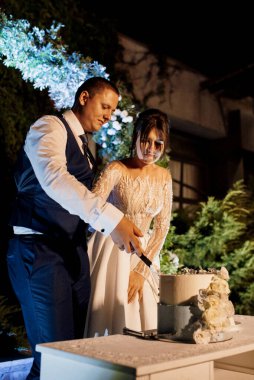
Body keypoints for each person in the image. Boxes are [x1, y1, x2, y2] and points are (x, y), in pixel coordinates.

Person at [6, 77, 144, 380]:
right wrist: (111, 220)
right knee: (53, 360)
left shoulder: (86, 148)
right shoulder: (49, 127)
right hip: (38, 251)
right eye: (105, 106)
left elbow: (83, 202)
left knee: (76, 353)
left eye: (113, 110)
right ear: (84, 97)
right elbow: (54, 178)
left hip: (72, 253)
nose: (108, 115)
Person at [85, 108, 173, 337]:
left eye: (158, 144)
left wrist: (142, 270)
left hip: (145, 255)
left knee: (145, 321)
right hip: (111, 249)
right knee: (110, 317)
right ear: (135, 138)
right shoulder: (116, 169)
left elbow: (162, 227)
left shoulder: (164, 177)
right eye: (146, 141)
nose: (151, 149)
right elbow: (89, 207)